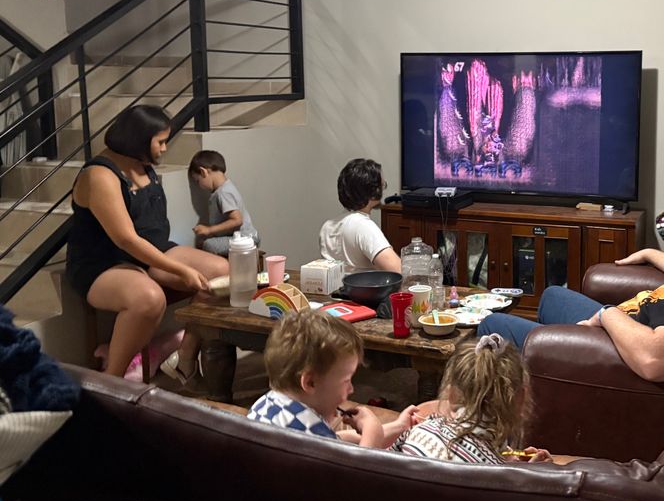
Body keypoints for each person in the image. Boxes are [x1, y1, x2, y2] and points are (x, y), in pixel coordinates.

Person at [478, 190, 664, 383]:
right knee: (551, 296)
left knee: (492, 323)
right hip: (619, 327)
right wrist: (650, 253)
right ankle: (544, 379)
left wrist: (606, 315)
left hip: (610, 348)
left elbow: (654, 360)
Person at [65, 105, 228, 381]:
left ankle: (184, 358)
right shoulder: (100, 176)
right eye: (161, 141)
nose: (165, 148)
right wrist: (180, 270)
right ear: (139, 140)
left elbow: (148, 235)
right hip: (102, 262)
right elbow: (125, 239)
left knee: (224, 274)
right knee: (149, 299)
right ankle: (113, 384)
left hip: (151, 250)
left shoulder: (143, 165)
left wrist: (174, 267)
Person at [248, 309, 419, 448]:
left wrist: (398, 427)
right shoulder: (310, 441)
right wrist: (372, 437)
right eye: (346, 381)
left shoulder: (267, 403)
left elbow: (332, 439)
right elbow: (356, 479)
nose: (351, 389)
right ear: (310, 382)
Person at [391, 333, 551, 464]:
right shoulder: (505, 479)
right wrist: (534, 473)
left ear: (451, 393)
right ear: (521, 398)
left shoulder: (418, 432)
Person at [319, 158, 401, 274]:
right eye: (382, 186)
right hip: (363, 291)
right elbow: (398, 271)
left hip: (335, 291)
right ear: (373, 191)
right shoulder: (363, 226)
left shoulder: (327, 227)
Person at [188, 150, 260, 255]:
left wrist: (209, 230)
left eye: (198, 181)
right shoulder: (224, 189)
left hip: (246, 238)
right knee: (204, 242)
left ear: (204, 172)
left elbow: (237, 220)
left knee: (208, 245)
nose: (199, 186)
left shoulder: (224, 193)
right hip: (241, 237)